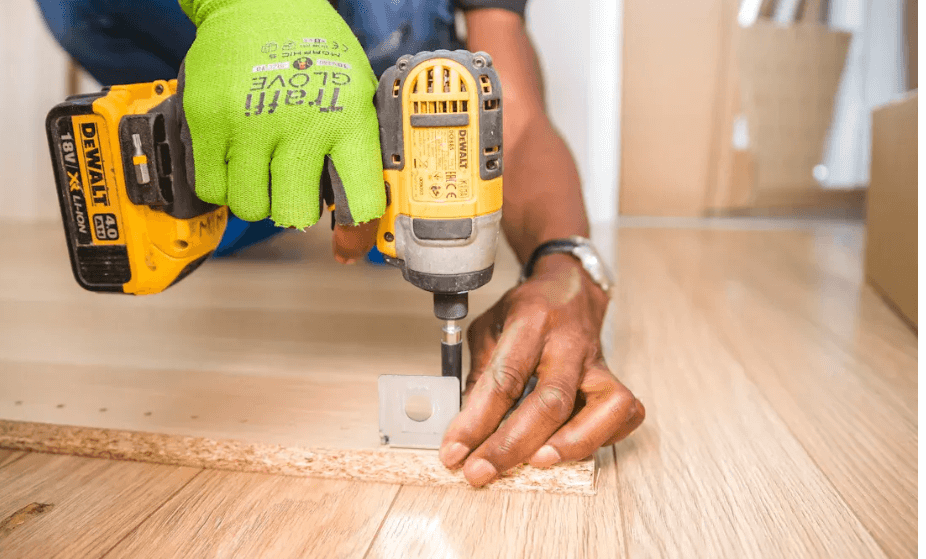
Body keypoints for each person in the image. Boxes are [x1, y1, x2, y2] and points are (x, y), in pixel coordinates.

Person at [36, 0, 645, 488]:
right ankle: (227, 142)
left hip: (367, 131)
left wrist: (564, 262)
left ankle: (329, 160)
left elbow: (511, 112)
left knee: (371, 232)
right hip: (203, 99)